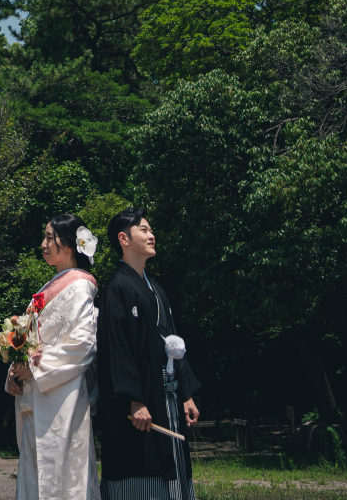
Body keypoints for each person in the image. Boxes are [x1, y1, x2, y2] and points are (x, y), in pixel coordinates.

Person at [97, 208, 200, 500]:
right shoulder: (116, 287)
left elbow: (173, 344)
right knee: (141, 467)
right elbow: (116, 349)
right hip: (141, 401)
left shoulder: (156, 289)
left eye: (151, 230)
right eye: (144, 230)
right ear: (123, 239)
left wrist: (186, 394)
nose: (152, 235)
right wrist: (134, 400)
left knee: (173, 467)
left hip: (166, 396)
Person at [6, 214, 101, 500]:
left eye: (50, 238)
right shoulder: (48, 288)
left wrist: (34, 369)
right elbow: (27, 338)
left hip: (62, 398)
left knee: (62, 476)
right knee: (36, 477)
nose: (44, 244)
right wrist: (15, 369)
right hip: (37, 395)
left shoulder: (81, 286)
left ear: (70, 245)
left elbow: (83, 344)